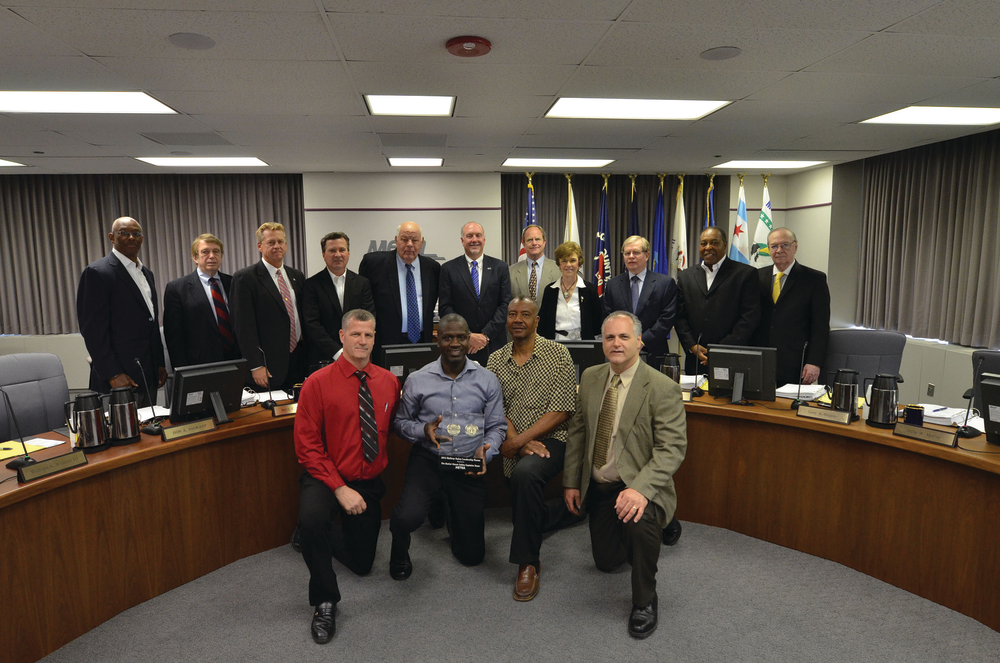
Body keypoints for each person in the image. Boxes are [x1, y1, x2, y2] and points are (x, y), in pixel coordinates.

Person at [563, 312, 687, 639]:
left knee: (637, 518)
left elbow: (671, 448)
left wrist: (641, 490)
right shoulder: (590, 377)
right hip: (601, 485)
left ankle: (646, 599)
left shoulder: (662, 387)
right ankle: (642, 535)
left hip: (637, 483)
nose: (616, 343)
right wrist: (572, 481)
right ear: (602, 343)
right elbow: (577, 433)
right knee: (606, 562)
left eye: (624, 337)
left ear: (639, 342)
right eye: (609, 338)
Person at [294, 309, 399, 644]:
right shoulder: (316, 383)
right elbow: (307, 446)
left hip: (367, 480)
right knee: (312, 519)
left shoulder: (388, 382)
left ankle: (311, 540)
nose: (362, 341)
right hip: (326, 474)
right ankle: (325, 601)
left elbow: (392, 429)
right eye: (355, 334)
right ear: (342, 337)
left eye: (368, 335)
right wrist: (339, 488)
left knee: (362, 563)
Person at [388, 314, 506, 579]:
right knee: (407, 517)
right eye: (448, 337)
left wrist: (488, 449)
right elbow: (400, 423)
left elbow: (497, 426)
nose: (455, 343)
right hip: (429, 458)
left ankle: (450, 507)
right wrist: (423, 429)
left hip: (468, 462)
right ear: (437, 340)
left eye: (461, 337)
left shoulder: (487, 380)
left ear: (469, 340)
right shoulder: (418, 380)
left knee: (472, 557)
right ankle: (399, 551)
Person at [487, 297, 580, 601]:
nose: (517, 320)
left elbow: (563, 410)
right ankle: (565, 512)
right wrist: (516, 440)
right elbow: (495, 407)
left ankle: (527, 562)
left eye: (525, 315)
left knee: (526, 475)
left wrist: (519, 441)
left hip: (555, 437)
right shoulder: (495, 360)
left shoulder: (558, 354)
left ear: (536, 321)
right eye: (512, 314)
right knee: (524, 504)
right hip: (514, 439)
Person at [76, 216, 166, 406]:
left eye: (136, 233)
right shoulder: (97, 272)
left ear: (142, 238)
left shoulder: (146, 273)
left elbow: (151, 322)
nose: (131, 237)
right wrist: (113, 374)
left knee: (150, 429)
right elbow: (93, 332)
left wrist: (159, 364)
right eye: (124, 233)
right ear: (111, 237)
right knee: (123, 433)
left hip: (147, 373)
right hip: (119, 379)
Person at [230, 222, 306, 391]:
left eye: (280, 242)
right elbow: (243, 327)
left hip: (297, 362)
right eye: (271, 242)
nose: (277, 246)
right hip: (267, 367)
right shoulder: (245, 278)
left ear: (286, 245)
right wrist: (255, 365)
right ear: (259, 246)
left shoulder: (297, 276)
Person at [674, 227, 761, 376]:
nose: (708, 247)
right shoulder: (685, 277)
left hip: (732, 357)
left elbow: (749, 317)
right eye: (703, 243)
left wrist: (719, 351)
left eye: (714, 242)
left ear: (725, 244)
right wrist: (691, 345)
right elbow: (680, 316)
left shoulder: (745, 274)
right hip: (695, 359)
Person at [750, 228, 831, 386]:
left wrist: (814, 362)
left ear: (795, 247)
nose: (779, 250)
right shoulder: (755, 277)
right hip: (759, 359)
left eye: (785, 245)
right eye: (774, 246)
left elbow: (820, 326)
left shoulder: (814, 279)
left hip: (795, 364)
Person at [358, 221, 441, 362]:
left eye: (414, 240)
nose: (409, 244)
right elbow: (363, 305)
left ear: (421, 243)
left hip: (423, 342)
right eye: (404, 239)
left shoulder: (433, 268)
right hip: (386, 344)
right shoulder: (374, 264)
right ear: (396, 241)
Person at [162, 234, 240, 369]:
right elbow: (174, 336)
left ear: (221, 256)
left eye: (216, 251)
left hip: (237, 360)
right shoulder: (177, 288)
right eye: (205, 252)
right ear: (195, 257)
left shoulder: (234, 283)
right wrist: (182, 370)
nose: (211, 256)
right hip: (199, 364)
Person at [601, 236, 679, 369]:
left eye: (636, 252)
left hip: (654, 353)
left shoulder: (664, 283)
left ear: (647, 255)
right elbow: (608, 318)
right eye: (627, 253)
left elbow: (666, 319)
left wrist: (641, 341)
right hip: (620, 353)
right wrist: (624, 341)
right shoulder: (612, 285)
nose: (631, 256)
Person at [439, 222, 512, 363]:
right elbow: (445, 307)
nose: (474, 240)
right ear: (462, 240)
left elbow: (505, 305)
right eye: (469, 236)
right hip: (460, 346)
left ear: (484, 239)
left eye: (478, 235)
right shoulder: (448, 269)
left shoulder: (500, 267)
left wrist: (485, 335)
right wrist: (468, 335)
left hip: (494, 344)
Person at [301, 232, 375, 370]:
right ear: (323, 254)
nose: (337, 255)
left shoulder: (362, 283)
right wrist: (338, 352)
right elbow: (312, 324)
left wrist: (354, 349)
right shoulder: (311, 285)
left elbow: (368, 318)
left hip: (358, 356)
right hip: (323, 358)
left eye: (342, 250)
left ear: (348, 253)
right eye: (332, 250)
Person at [537, 241, 603, 341]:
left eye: (572, 260)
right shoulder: (550, 290)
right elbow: (542, 324)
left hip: (583, 344)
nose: (568, 265)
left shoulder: (590, 290)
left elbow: (597, 323)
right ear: (559, 264)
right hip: (555, 344)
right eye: (564, 261)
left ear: (579, 263)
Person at [509, 225, 559, 303]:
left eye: (538, 239)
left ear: (544, 242)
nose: (534, 243)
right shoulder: (511, 272)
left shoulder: (559, 270)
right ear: (524, 244)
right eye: (529, 240)